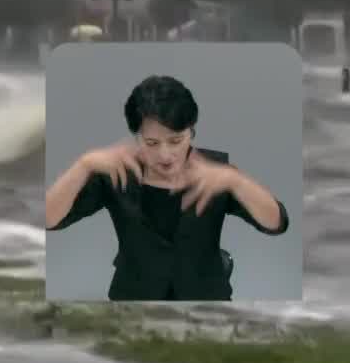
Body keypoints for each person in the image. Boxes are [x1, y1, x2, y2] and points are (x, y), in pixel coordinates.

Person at [44, 74, 289, 300]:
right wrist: (84, 165)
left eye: (176, 141)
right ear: (136, 137)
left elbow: (276, 223)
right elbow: (50, 219)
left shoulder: (214, 172)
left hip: (207, 303)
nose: (165, 155)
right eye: (152, 142)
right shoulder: (118, 173)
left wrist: (236, 181)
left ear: (191, 133)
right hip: (133, 302)